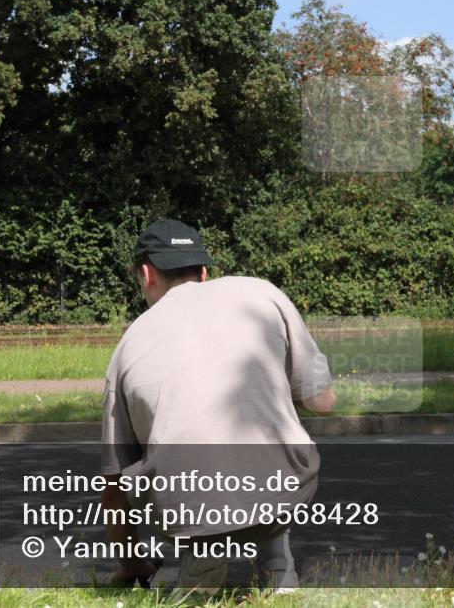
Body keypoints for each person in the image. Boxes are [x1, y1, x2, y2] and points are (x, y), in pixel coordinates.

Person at [99, 218, 335, 598]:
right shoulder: (262, 294)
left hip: (184, 507)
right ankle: (277, 567)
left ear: (146, 274)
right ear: (204, 272)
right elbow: (322, 403)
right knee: (269, 428)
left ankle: (202, 550)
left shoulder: (129, 343)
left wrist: (132, 565)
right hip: (284, 490)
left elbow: (112, 487)